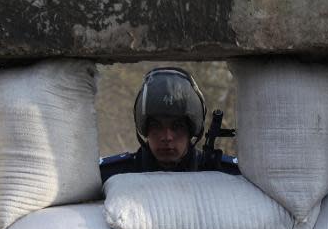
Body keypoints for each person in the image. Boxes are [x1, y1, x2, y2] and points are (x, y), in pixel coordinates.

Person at [100, 67, 240, 182]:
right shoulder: (115, 175)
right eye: (156, 126)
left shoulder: (224, 173)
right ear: (145, 129)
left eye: (177, 127)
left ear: (191, 131)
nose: (166, 137)